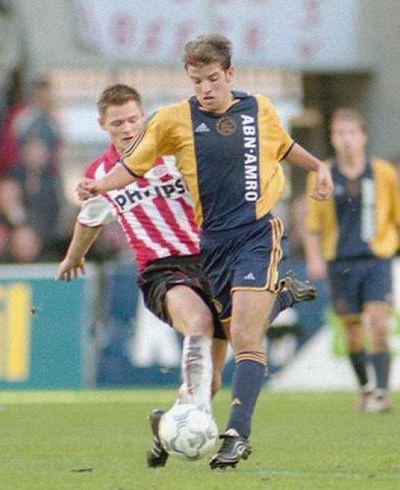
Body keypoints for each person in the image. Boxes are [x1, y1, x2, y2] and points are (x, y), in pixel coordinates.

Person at [76, 35, 333, 469]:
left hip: (256, 233)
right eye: (197, 81)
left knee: (246, 339)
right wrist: (99, 185)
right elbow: (132, 167)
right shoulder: (173, 120)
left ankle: (236, 434)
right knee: (211, 376)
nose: (205, 89)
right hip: (211, 246)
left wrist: (318, 166)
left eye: (213, 79)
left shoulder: (259, 109)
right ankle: (171, 424)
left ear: (230, 74)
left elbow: (284, 146)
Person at [303, 108, 400, 413]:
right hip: (340, 262)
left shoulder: (383, 173)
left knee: (379, 324)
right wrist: (314, 258)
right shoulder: (321, 175)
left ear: (364, 136)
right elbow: (312, 225)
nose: (346, 140)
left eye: (351, 133)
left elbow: (399, 217)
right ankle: (366, 388)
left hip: (376, 259)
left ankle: (382, 393)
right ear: (332, 138)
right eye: (340, 133)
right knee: (353, 332)